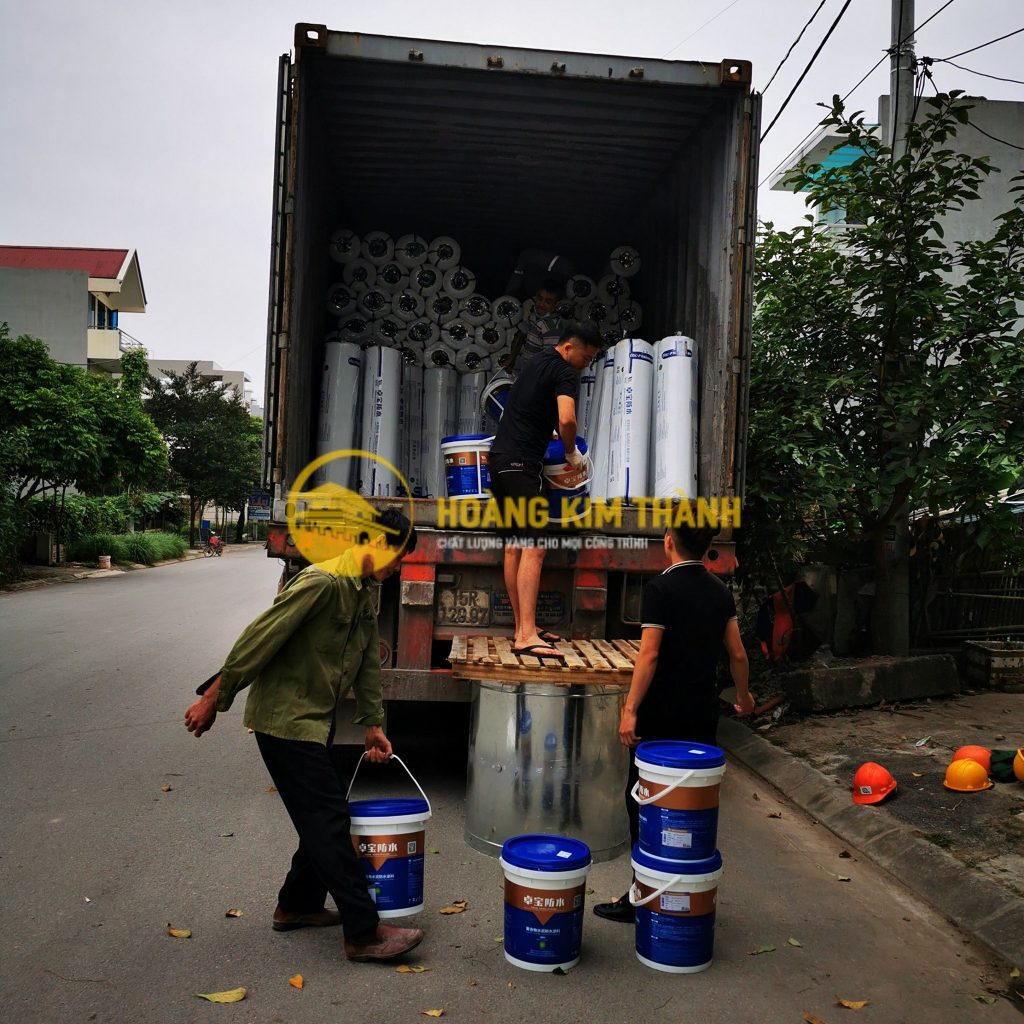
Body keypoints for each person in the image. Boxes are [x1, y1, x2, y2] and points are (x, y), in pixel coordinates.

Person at [183, 508, 425, 963]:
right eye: (398, 557)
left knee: (323, 818)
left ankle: (296, 906)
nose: (399, 568)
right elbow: (260, 638)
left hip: (315, 722)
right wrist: (215, 696)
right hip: (285, 722)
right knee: (330, 822)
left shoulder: (361, 592)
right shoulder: (322, 583)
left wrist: (373, 724)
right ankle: (364, 933)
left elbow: (367, 662)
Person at [592, 518, 755, 923]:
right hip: (701, 714)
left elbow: (649, 656)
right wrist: (744, 695)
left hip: (660, 716)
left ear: (669, 542)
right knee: (691, 803)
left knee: (646, 802)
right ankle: (684, 893)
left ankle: (643, 893)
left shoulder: (660, 589)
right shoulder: (719, 591)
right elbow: (737, 654)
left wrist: (630, 709)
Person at [488, 321, 602, 660]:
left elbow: (530, 409)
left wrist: (546, 432)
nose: (586, 365)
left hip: (500, 461)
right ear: (569, 348)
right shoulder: (565, 372)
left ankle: (523, 628)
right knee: (535, 546)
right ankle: (526, 634)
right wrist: (571, 451)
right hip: (522, 465)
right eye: (586, 358)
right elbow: (567, 420)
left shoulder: (536, 362)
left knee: (515, 546)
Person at [503, 278, 568, 372]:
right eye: (540, 299)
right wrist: (511, 358)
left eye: (548, 302)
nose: (541, 304)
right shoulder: (533, 316)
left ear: (556, 304)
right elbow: (520, 335)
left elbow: (550, 360)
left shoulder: (552, 328)